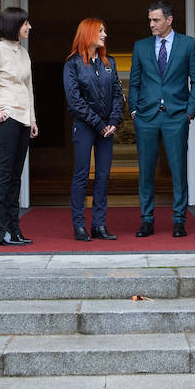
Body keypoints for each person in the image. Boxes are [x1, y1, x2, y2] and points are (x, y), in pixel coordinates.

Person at [127, 1, 195, 238]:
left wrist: (189, 112)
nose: (151, 24)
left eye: (156, 20)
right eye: (150, 20)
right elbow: (135, 81)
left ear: (169, 20)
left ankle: (179, 220)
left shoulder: (188, 44)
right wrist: (134, 111)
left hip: (176, 116)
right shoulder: (141, 46)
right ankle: (146, 220)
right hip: (146, 117)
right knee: (146, 170)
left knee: (178, 170)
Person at [0, 6, 39, 246]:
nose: (29, 27)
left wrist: (32, 119)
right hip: (7, 120)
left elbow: (28, 89)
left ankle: (15, 229)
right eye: (25, 23)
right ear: (14, 25)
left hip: (23, 121)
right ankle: (0, 232)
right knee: (4, 176)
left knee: (15, 177)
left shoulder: (23, 53)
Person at [63, 18, 123, 241]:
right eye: (100, 30)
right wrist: (98, 124)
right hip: (86, 127)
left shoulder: (110, 63)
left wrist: (114, 121)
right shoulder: (73, 64)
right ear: (88, 33)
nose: (105, 34)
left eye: (104, 30)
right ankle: (79, 225)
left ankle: (99, 225)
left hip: (107, 128)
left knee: (103, 176)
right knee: (81, 175)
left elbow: (118, 94)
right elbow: (75, 101)